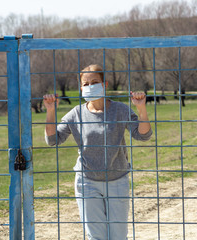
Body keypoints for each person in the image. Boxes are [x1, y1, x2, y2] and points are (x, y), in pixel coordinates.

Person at [43, 64, 152, 240]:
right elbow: (52, 139)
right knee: (96, 237)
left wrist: (141, 108)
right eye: (85, 84)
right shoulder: (76, 113)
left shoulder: (120, 110)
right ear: (80, 88)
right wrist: (50, 111)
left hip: (117, 180)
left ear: (104, 84)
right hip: (87, 183)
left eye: (94, 82)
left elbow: (143, 135)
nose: (90, 86)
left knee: (118, 236)